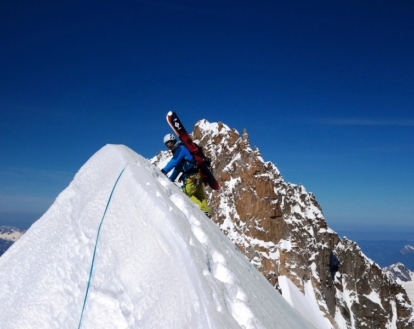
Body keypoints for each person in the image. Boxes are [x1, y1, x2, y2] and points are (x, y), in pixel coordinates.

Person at [161, 133, 211, 217]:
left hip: (191, 177)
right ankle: (206, 212)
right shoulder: (181, 151)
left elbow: (174, 161)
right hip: (197, 176)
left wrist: (163, 171)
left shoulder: (180, 148)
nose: (169, 146)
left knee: (186, 194)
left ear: (174, 140)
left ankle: (201, 212)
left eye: (170, 143)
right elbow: (177, 169)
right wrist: (169, 180)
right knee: (199, 196)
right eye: (167, 145)